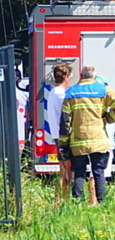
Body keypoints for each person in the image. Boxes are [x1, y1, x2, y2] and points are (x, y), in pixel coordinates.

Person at [59, 65, 115, 203]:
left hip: (78, 141)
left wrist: (63, 143)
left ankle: (77, 202)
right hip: (99, 140)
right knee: (98, 172)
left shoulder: (70, 93)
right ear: (94, 76)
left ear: (81, 75)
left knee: (79, 173)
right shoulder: (103, 90)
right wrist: (109, 118)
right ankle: (102, 202)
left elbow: (65, 121)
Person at [46, 63, 78, 203]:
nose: (71, 78)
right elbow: (68, 113)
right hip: (64, 134)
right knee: (67, 169)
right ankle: (63, 199)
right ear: (65, 76)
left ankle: (59, 199)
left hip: (56, 133)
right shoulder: (61, 93)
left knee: (62, 168)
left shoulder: (53, 92)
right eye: (70, 75)